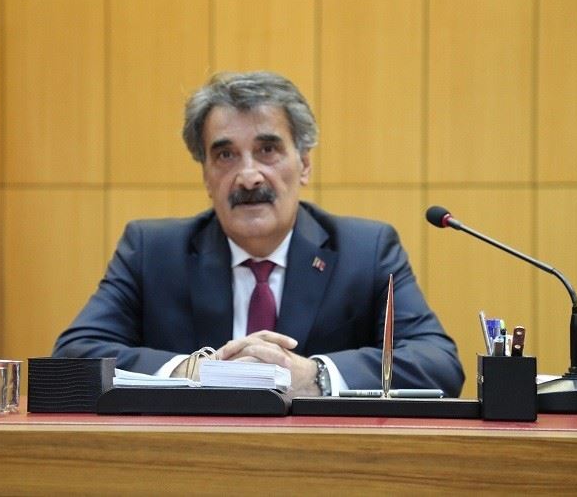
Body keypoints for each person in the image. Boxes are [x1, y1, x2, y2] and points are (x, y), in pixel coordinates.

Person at [52, 71, 464, 397]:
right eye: (225, 155)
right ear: (206, 175)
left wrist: (314, 375)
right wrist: (194, 371)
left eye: (268, 150)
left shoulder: (365, 250)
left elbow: (438, 363)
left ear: (304, 165)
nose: (248, 176)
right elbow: (72, 357)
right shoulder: (152, 251)